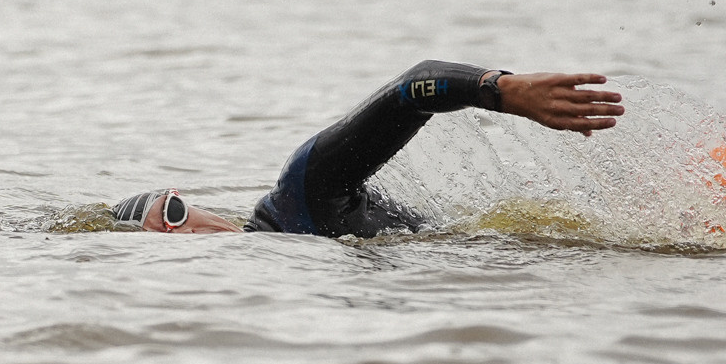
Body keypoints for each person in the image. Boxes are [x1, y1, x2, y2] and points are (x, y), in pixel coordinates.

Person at [113, 60, 625, 237]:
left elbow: (413, 88)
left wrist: (500, 90)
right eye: (165, 245)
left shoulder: (299, 196)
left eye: (173, 213)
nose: (184, 235)